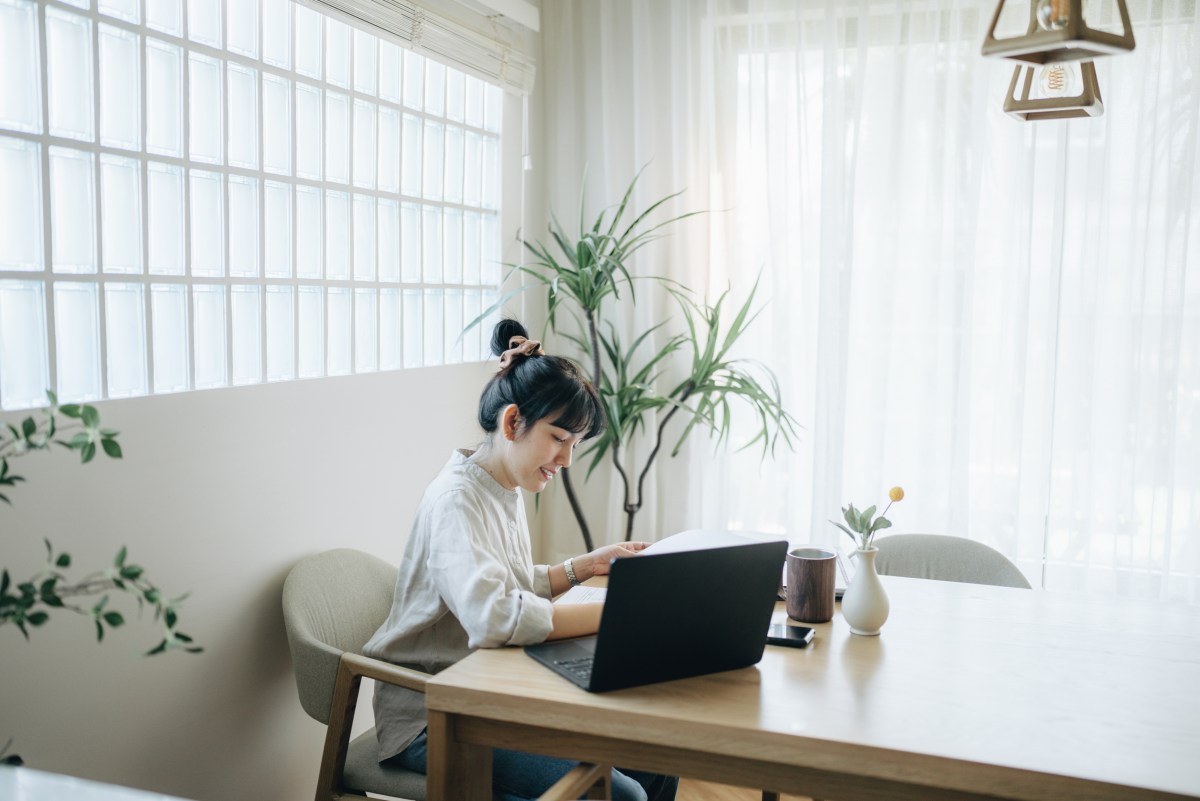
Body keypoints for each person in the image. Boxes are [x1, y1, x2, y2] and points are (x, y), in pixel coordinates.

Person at [364, 319, 679, 801]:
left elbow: (506, 585)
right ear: (513, 422)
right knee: (624, 796)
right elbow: (494, 618)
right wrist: (618, 614)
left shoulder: (502, 486)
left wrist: (583, 566)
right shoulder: (455, 500)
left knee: (661, 757)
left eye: (575, 444)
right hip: (435, 716)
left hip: (491, 692)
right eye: (559, 439)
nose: (567, 459)